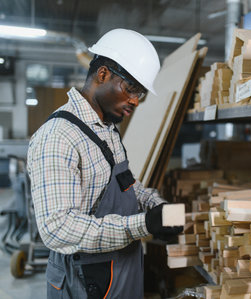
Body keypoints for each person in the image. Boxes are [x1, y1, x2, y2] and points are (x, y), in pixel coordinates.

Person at [27, 28, 183, 299]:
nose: (135, 100)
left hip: (122, 270)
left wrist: (157, 208)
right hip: (84, 281)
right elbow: (58, 228)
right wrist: (143, 225)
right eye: (131, 88)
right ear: (103, 75)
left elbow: (128, 186)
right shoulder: (59, 136)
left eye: (140, 93)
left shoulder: (107, 129)